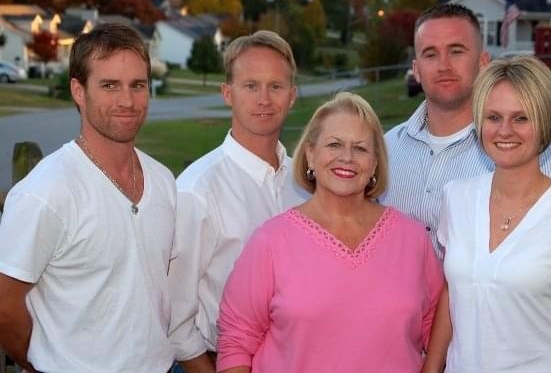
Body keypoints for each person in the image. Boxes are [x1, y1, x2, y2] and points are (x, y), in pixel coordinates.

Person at [216, 92, 444, 373]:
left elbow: (438, 329)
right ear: (310, 154)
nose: (346, 157)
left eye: (360, 148)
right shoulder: (271, 241)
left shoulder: (413, 240)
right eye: (334, 144)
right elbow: (236, 341)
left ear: (375, 162)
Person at [0, 23, 176, 373]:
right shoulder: (47, 191)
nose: (127, 101)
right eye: (109, 85)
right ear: (79, 91)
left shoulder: (164, 181)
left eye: (137, 85)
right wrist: (35, 363)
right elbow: (5, 305)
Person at [421, 56, 551, 373]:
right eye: (493, 117)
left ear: (544, 121)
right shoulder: (456, 198)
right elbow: (454, 292)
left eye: (521, 118)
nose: (505, 130)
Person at [379, 3, 551, 259]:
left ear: (483, 61)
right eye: (430, 54)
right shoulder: (386, 149)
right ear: (416, 70)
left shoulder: (523, 151)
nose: (443, 65)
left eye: (456, 51)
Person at [168, 30, 307, 373]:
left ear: (292, 96)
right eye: (250, 86)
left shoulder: (306, 183)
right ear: (227, 93)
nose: (264, 99)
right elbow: (173, 317)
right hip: (218, 362)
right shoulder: (197, 191)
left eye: (276, 86)